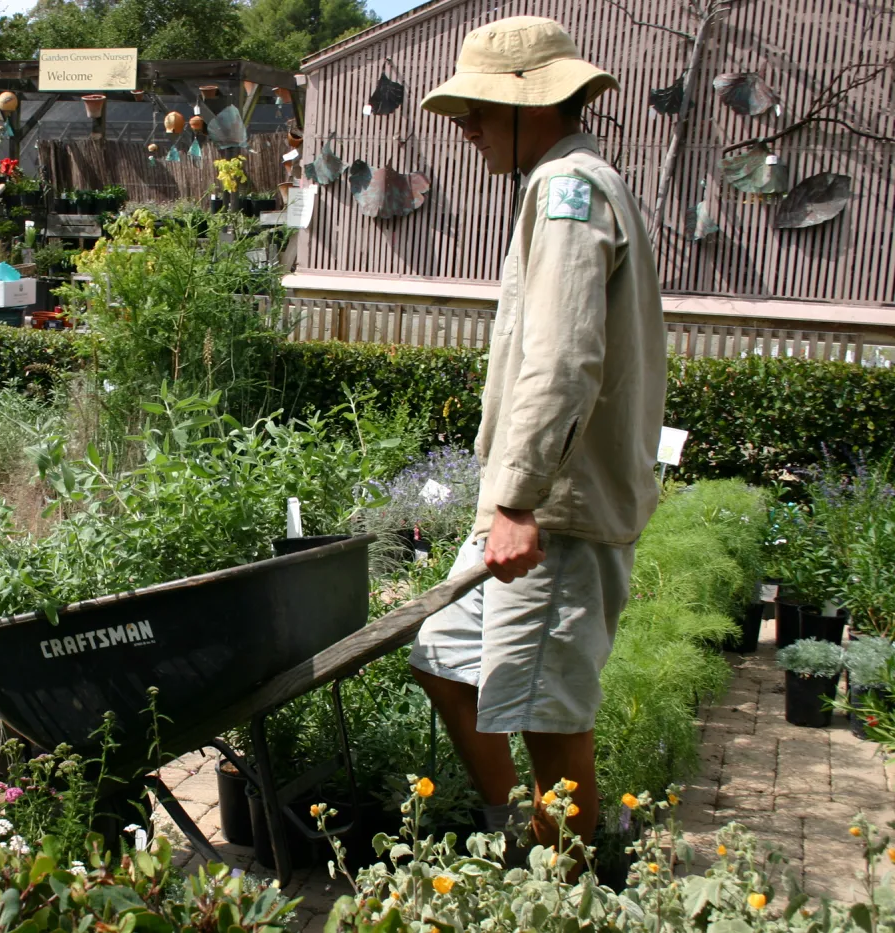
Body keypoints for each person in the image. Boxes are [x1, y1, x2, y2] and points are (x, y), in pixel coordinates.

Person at [409, 16, 666, 852]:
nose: (467, 127)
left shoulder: (569, 193)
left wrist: (518, 500)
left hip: (552, 513)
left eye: (479, 110)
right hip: (521, 506)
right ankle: (514, 831)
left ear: (535, 106)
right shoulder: (555, 181)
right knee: (443, 657)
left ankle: (567, 887)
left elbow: (562, 360)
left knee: (547, 717)